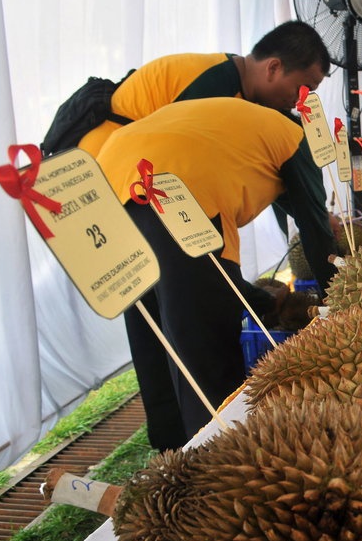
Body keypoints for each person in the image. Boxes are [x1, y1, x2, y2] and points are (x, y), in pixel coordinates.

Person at [97, 97, 338, 451]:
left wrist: (259, 298)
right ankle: (220, 457)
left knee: (152, 330)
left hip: (109, 183)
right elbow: (315, 227)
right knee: (203, 343)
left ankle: (170, 450)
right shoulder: (294, 138)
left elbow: (295, 208)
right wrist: (338, 300)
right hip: (176, 191)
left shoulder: (243, 125)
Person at [77, 19, 331, 236]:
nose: (301, 102)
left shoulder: (237, 84)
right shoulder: (213, 86)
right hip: (104, 173)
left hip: (131, 173)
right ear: (273, 68)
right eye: (302, 89)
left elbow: (280, 171)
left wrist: (314, 214)